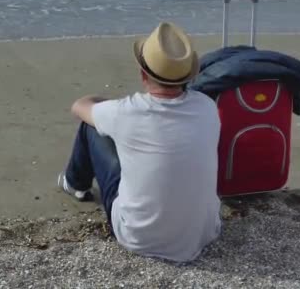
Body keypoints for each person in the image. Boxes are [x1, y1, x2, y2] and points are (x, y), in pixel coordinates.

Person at [57, 22, 222, 262]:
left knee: (90, 127)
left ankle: (75, 183)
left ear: (143, 74)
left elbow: (79, 107)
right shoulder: (207, 107)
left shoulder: (127, 112)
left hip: (138, 237)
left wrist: (107, 104)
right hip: (204, 232)